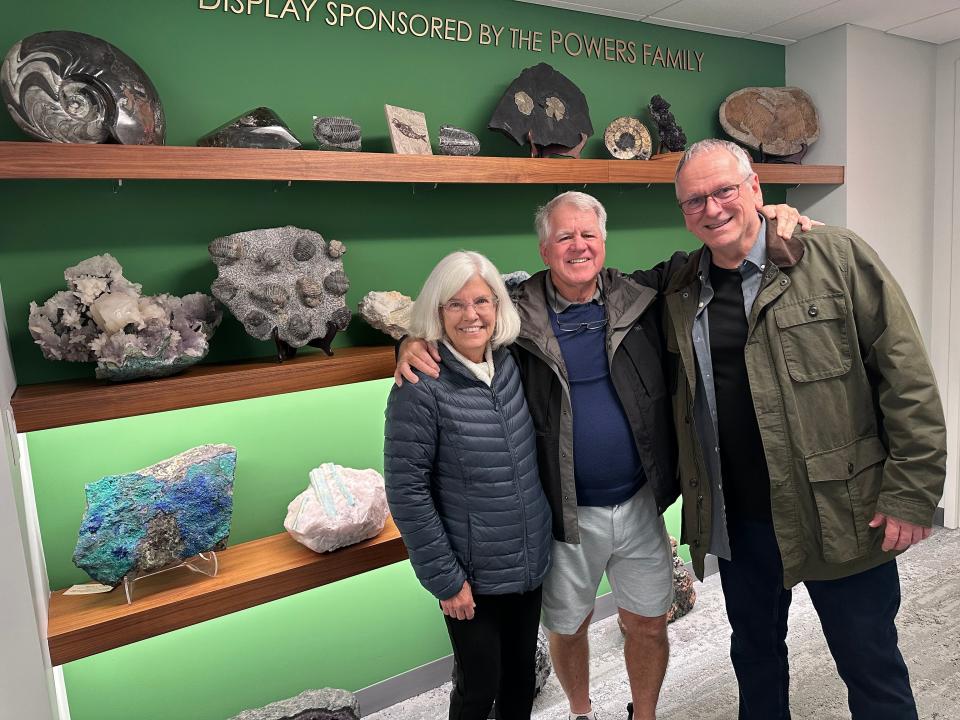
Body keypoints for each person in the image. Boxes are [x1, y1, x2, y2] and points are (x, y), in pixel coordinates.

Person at [396, 193, 808, 720]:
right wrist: (410, 342)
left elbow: (714, 252)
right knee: (568, 626)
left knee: (647, 621)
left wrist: (769, 220)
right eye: (564, 236)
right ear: (545, 248)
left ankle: (645, 713)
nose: (578, 246)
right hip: (563, 513)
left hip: (640, 503)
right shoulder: (511, 312)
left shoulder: (642, 295)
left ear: (604, 242)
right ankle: (582, 711)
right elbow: (456, 323)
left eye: (588, 234)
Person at [665, 138, 947, 719]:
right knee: (756, 662)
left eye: (725, 191)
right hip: (739, 523)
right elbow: (578, 289)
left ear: (756, 191)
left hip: (840, 511)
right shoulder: (680, 288)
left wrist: (913, 494)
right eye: (695, 200)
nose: (713, 209)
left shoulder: (834, 256)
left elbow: (908, 379)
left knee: (871, 666)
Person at [384, 250, 553, 720]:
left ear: (498, 306)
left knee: (520, 679)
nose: (471, 314)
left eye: (482, 301)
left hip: (527, 561)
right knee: (479, 686)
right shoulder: (420, 384)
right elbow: (407, 492)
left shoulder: (514, 360)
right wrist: (445, 579)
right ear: (436, 312)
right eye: (454, 304)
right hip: (470, 576)